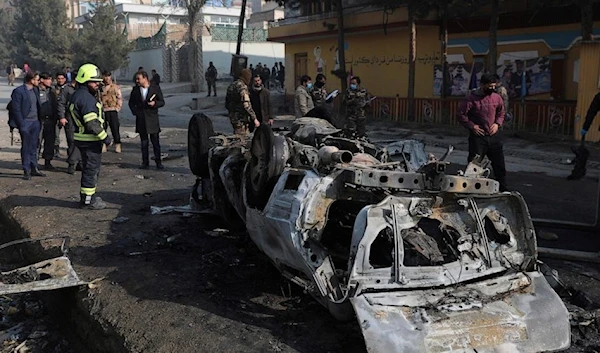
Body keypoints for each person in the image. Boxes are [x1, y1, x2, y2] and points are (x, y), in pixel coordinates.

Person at [69, 63, 112, 209]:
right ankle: (89, 201)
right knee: (91, 170)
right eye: (94, 82)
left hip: (82, 139)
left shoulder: (78, 95)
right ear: (85, 80)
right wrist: (105, 138)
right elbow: (92, 123)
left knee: (88, 169)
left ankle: (88, 197)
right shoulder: (86, 98)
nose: (97, 85)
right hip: (90, 141)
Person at [457, 73, 507, 191]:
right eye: (489, 86)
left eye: (494, 86)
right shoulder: (471, 98)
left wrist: (497, 124)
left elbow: (501, 113)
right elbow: (461, 114)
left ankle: (503, 190)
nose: (492, 89)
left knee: (499, 166)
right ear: (482, 85)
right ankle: (470, 190)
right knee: (474, 167)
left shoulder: (497, 98)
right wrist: (472, 126)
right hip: (478, 138)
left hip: (494, 136)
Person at [10, 71, 45, 180]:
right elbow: (15, 109)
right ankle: (26, 169)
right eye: (37, 79)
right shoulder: (19, 91)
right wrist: (21, 124)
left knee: (35, 146)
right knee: (26, 146)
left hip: (35, 122)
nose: (39, 81)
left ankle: (34, 167)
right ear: (31, 80)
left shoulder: (35, 90)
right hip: (25, 123)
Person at [128, 71, 166, 169]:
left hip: (152, 119)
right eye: (136, 79)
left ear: (145, 78)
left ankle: (158, 162)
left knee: (155, 143)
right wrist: (136, 112)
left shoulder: (155, 88)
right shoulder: (135, 90)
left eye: (138, 79)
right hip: (141, 120)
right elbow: (131, 103)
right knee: (144, 143)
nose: (137, 81)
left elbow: (162, 102)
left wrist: (155, 104)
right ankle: (145, 162)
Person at [57, 72, 79, 174]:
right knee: (71, 141)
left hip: (80, 119)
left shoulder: (83, 88)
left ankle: (79, 163)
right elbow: (61, 103)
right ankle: (72, 164)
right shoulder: (67, 89)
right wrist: (62, 117)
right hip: (69, 118)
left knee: (80, 141)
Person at [225, 68, 259, 135]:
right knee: (241, 139)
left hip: (233, 118)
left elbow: (227, 103)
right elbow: (246, 105)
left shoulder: (232, 85)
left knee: (238, 135)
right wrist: (254, 118)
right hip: (241, 119)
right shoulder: (242, 87)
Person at [37, 72, 59, 170]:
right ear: (41, 80)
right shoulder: (36, 91)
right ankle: (34, 163)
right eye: (48, 79)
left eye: (50, 79)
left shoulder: (52, 92)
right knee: (37, 142)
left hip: (50, 120)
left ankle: (48, 162)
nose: (50, 81)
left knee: (50, 142)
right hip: (39, 121)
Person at [101, 71, 123, 153]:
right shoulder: (101, 88)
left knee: (115, 128)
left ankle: (117, 144)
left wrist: (117, 108)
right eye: (105, 76)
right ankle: (103, 144)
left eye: (108, 76)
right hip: (103, 110)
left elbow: (119, 97)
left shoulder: (114, 87)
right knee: (103, 128)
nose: (106, 78)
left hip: (113, 109)